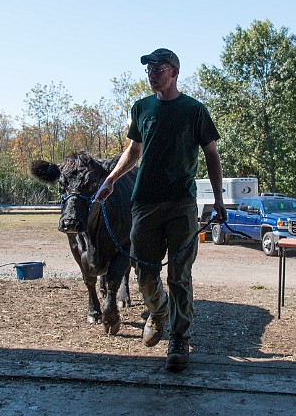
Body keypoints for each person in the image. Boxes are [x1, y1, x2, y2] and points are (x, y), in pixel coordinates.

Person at [95, 48, 227, 372]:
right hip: (144, 203)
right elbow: (133, 150)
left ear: (174, 72)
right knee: (143, 273)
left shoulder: (195, 111)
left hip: (182, 204)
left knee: (180, 275)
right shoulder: (141, 108)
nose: (152, 72)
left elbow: (211, 155)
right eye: (148, 68)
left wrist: (220, 200)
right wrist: (111, 179)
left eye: (157, 67)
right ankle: (159, 311)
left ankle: (179, 341)